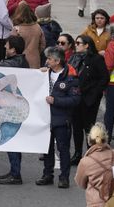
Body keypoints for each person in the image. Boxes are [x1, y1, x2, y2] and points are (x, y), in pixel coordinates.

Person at [36, 46, 79, 189]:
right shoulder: (45, 74)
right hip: (45, 118)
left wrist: (56, 101)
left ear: (57, 61)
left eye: (49, 59)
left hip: (61, 119)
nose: (47, 61)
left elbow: (75, 100)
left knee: (63, 149)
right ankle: (47, 175)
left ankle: (64, 178)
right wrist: (38, 74)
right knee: (46, 149)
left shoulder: (70, 77)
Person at [0, 35, 30, 185]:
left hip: (14, 108)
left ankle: (15, 174)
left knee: (11, 139)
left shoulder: (12, 64)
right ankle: (14, 171)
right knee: (12, 139)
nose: (4, 47)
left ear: (13, 49)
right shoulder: (21, 61)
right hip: (15, 106)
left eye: (7, 46)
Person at [69, 35, 109, 164]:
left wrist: (95, 93)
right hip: (75, 98)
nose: (76, 45)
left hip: (89, 99)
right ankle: (77, 154)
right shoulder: (74, 58)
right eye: (75, 43)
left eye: (78, 43)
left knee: (88, 127)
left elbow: (104, 78)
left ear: (86, 45)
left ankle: (91, 153)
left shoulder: (96, 59)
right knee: (76, 127)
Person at [74, 124, 114, 207]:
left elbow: (80, 183)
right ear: (105, 137)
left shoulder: (86, 161)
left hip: (96, 203)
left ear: (90, 139)